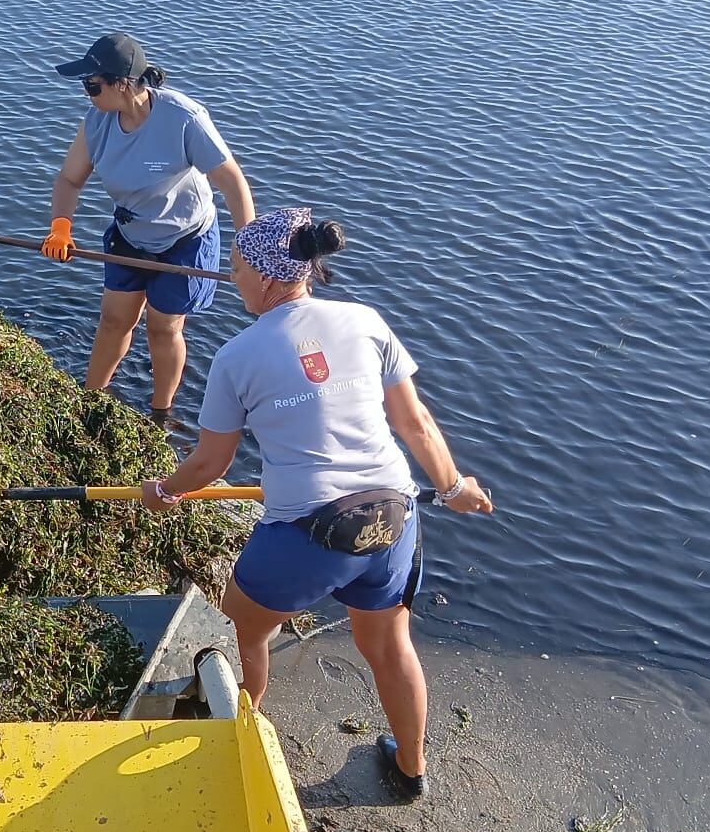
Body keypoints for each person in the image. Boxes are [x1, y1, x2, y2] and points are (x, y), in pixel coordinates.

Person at [140, 208, 494, 800]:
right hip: (392, 515)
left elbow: (210, 465)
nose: (232, 277)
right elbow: (415, 423)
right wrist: (455, 487)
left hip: (308, 532)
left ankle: (242, 729)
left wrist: (164, 490)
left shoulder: (237, 357)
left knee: (239, 626)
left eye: (237, 266)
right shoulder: (365, 320)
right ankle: (410, 769)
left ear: (267, 277)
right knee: (389, 646)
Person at [39, 32, 259, 425]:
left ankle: (160, 414)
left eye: (92, 85)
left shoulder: (184, 118)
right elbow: (69, 180)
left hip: (186, 238)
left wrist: (246, 249)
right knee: (113, 319)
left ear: (122, 84)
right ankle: (90, 401)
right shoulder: (97, 122)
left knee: (162, 328)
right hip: (130, 233)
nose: (87, 93)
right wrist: (60, 227)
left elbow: (232, 183)